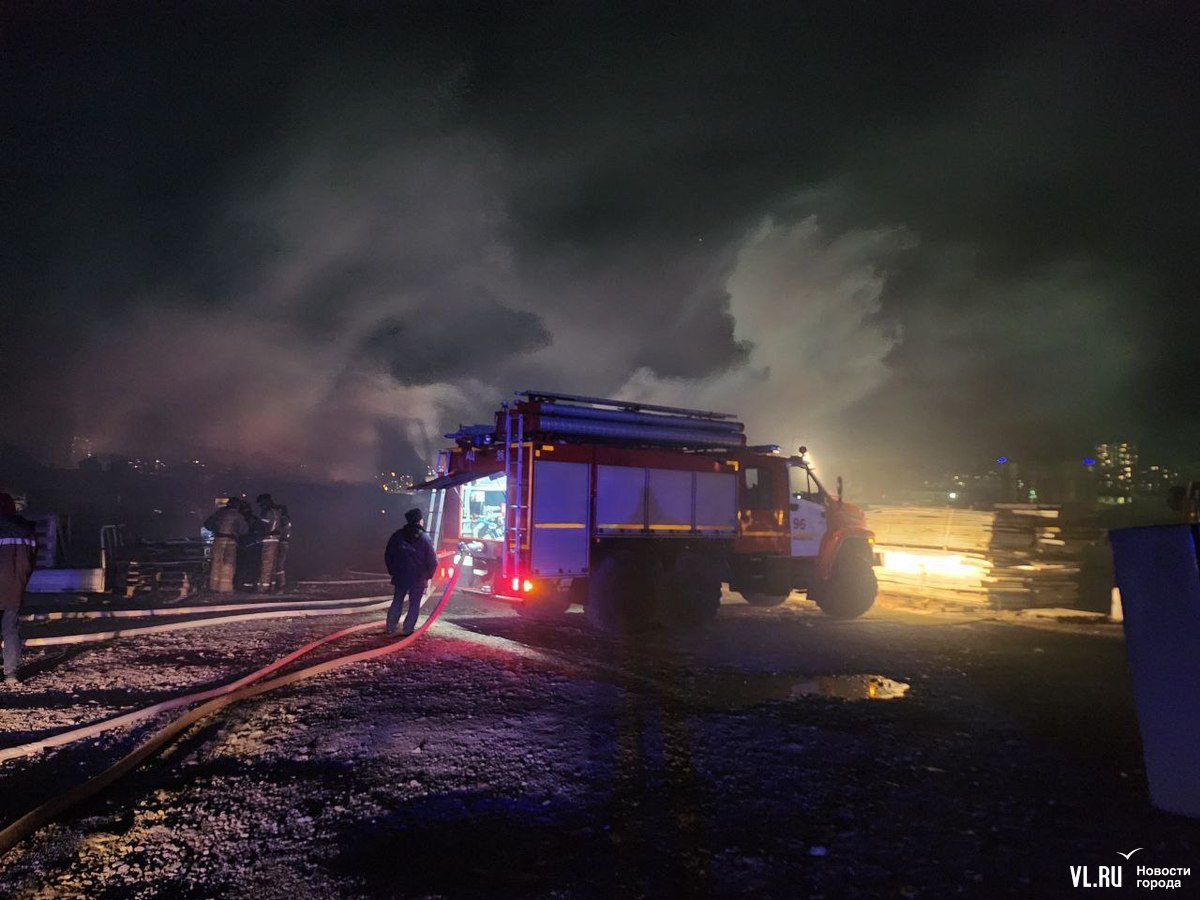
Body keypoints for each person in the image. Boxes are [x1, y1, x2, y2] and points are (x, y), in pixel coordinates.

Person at [0, 492, 37, 684]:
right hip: (15, 588)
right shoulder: (27, 530)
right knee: (10, 630)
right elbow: (32, 560)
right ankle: (11, 674)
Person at [384, 507, 438, 636]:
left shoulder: (397, 535)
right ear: (419, 521)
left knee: (397, 600)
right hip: (418, 578)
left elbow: (388, 555)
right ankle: (408, 629)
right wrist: (428, 575)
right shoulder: (425, 538)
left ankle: (390, 627)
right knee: (414, 604)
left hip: (400, 575)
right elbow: (432, 560)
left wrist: (393, 571)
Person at [204, 496, 251, 593]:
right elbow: (244, 530)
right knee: (228, 563)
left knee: (216, 562)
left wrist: (216, 529)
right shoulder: (238, 515)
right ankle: (225, 588)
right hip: (231, 541)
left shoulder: (218, 513)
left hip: (218, 539)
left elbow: (207, 524)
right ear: (237, 505)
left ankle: (214, 587)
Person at [254, 493, 284, 593]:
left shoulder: (267, 512)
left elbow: (262, 526)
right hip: (275, 540)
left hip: (268, 539)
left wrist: (258, 535)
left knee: (266, 564)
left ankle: (263, 588)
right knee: (273, 564)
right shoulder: (278, 511)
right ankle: (272, 586)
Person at [273, 503, 292, 592]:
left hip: (282, 542)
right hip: (283, 542)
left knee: (279, 564)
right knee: (278, 564)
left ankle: (280, 585)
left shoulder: (284, 520)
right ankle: (279, 584)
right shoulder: (285, 519)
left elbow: (280, 531)